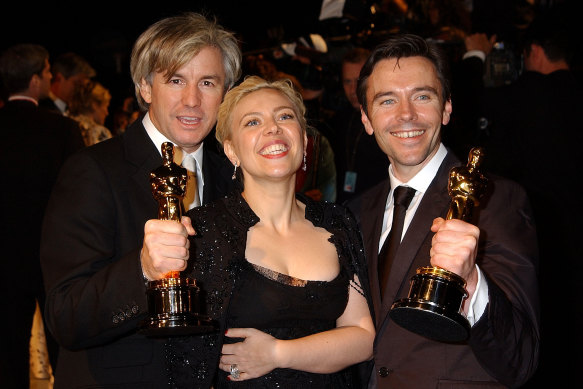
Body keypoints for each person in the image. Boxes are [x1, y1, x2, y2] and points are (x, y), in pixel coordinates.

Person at [39, 12, 242, 387]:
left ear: (225, 92)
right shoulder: (92, 171)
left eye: (208, 82)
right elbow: (65, 316)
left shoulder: (235, 179)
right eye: (176, 80)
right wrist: (143, 271)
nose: (193, 99)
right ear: (146, 87)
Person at [147, 75, 375, 388]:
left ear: (304, 139)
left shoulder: (338, 222)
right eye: (252, 122)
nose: (272, 128)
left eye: (284, 116)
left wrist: (278, 353)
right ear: (231, 151)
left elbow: (363, 338)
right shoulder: (203, 230)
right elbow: (184, 361)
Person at [346, 34, 540, 388]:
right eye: (387, 100)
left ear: (447, 108)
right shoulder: (356, 212)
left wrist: (472, 281)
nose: (406, 115)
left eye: (422, 96)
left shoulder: (496, 200)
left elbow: (520, 358)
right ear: (366, 119)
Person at [457, 4, 582, 386]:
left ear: (536, 52)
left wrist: (474, 56)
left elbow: (461, 122)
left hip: (537, 242)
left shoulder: (525, 95)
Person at [0, 43, 84, 389]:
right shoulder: (60, 130)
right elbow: (79, 195)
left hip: (4, 254)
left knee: (7, 347)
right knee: (62, 340)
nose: (50, 77)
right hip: (50, 253)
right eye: (48, 73)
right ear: (36, 81)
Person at [328, 47, 388, 204]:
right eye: (347, 82)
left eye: (358, 81)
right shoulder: (339, 119)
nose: (353, 89)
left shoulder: (388, 119)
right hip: (344, 206)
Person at [68, 80, 113, 146]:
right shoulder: (100, 132)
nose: (107, 113)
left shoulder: (66, 124)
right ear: (94, 105)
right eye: (106, 107)